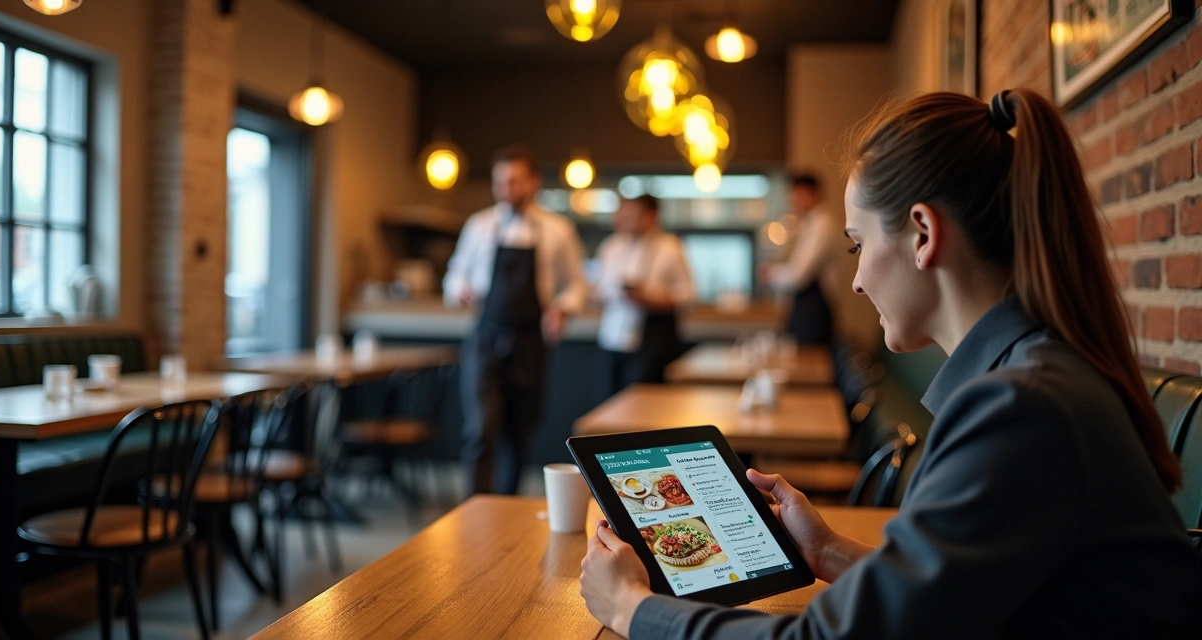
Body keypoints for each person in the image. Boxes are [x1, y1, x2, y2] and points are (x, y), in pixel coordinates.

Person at [578, 90, 1202, 638]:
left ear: (924, 235)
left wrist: (632, 607)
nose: (854, 281)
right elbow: (947, 597)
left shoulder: (1021, 404)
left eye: (858, 244)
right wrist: (824, 551)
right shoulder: (1036, 375)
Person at [443, 145, 586, 495]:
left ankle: (505, 504)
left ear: (533, 182)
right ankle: (472, 507)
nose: (506, 189)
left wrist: (562, 308)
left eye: (514, 181)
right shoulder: (479, 226)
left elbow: (578, 284)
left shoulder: (557, 229)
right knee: (480, 428)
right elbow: (454, 275)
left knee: (519, 432)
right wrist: (459, 289)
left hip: (530, 342)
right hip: (485, 338)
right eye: (500, 182)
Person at [593, 195, 694, 398]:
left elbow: (688, 295)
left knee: (645, 401)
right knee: (609, 401)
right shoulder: (611, 247)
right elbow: (597, 289)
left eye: (632, 215)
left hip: (653, 336)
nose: (624, 220)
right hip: (613, 338)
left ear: (651, 216)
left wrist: (651, 298)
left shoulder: (670, 246)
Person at [764, 174, 840, 346]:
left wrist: (772, 274)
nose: (794, 202)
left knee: (810, 363)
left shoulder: (823, 226)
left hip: (815, 310)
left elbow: (799, 275)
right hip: (805, 308)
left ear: (814, 194)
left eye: (798, 196)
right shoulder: (808, 225)